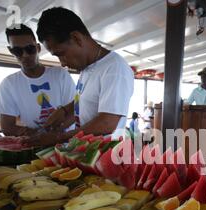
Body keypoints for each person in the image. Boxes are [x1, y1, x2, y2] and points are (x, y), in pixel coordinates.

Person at [24, 7, 134, 147]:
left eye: (61, 54)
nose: (62, 63)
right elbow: (84, 100)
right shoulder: (87, 68)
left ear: (76, 38)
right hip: (86, 153)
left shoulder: (114, 68)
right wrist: (64, 111)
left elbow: (107, 122)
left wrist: (59, 138)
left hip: (104, 156)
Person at [0, 24, 75, 137]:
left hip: (66, 142)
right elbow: (7, 127)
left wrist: (54, 136)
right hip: (34, 144)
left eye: (30, 49)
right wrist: (38, 134)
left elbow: (75, 109)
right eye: (18, 51)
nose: (25, 55)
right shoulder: (8, 84)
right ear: (11, 51)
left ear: (38, 48)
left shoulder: (61, 74)